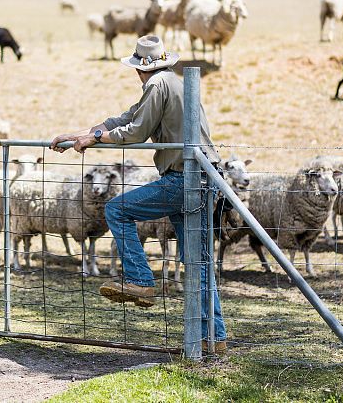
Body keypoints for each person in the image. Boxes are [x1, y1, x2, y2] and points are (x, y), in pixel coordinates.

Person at [50, 35, 228, 353]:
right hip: (203, 177)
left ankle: (140, 280)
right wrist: (83, 134)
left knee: (117, 210)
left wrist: (97, 139)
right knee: (198, 261)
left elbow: (136, 131)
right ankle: (214, 338)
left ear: (138, 69)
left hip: (183, 178)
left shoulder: (156, 85)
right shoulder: (169, 82)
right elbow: (126, 117)